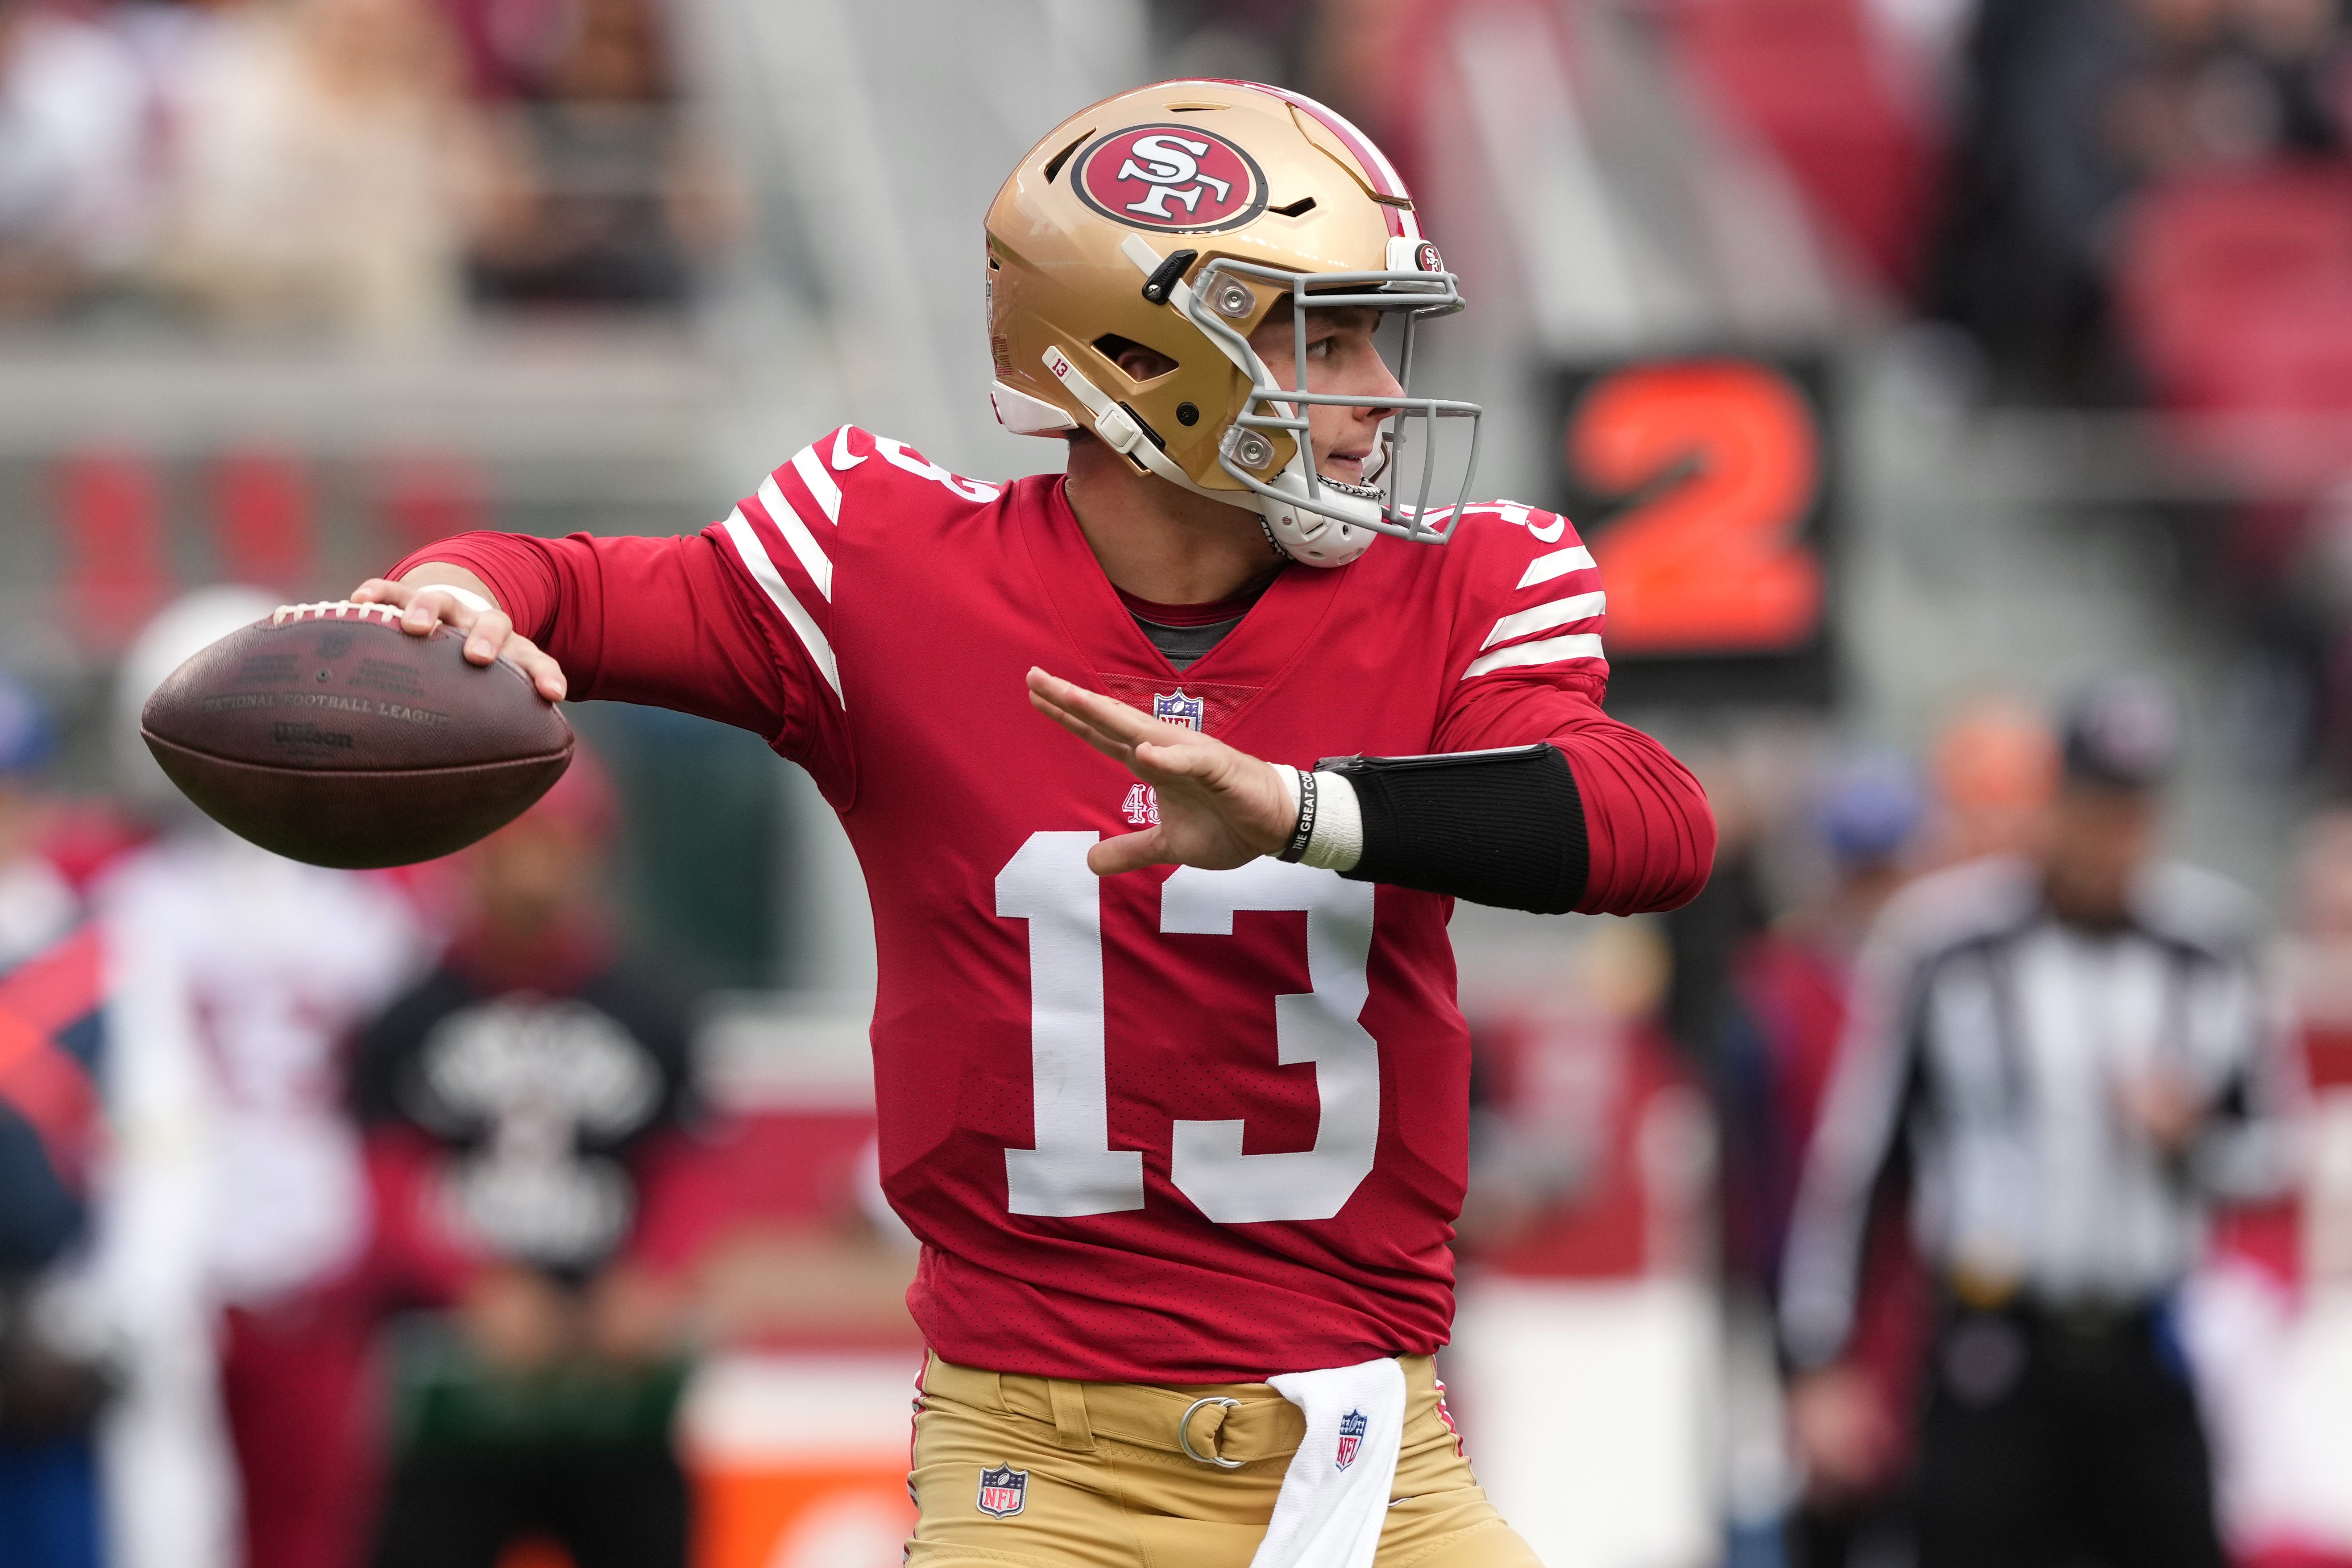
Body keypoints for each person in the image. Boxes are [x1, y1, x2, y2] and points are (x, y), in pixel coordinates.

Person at [348, 80, 1715, 1568]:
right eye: (1319, 337)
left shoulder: (1470, 582)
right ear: (1143, 357)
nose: (1378, 390)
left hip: (1371, 1447)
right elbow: (567, 584)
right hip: (1042, 1472)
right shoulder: (882, 571)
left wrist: (1302, 811)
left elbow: (1649, 827)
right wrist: (459, 599)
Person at [1780, 676, 2294, 1568]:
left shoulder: (2207, 945)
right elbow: (1860, 1164)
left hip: (2147, 1344)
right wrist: (1819, 1360)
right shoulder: (1945, 944)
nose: (2110, 840)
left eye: (2131, 814)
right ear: (2052, 804)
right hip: (1993, 1344)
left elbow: (2269, 1153)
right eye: (2094, 809)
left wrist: (2194, 1130)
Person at [352, 747, 699, 1568]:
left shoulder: (652, 1009)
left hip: (611, 1383)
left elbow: (686, 1168)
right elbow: (384, 1178)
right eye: (515, 847)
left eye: (558, 846)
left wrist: (650, 1280)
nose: (535, 875)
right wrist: (469, 1284)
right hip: (453, 1389)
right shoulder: (409, 1015)